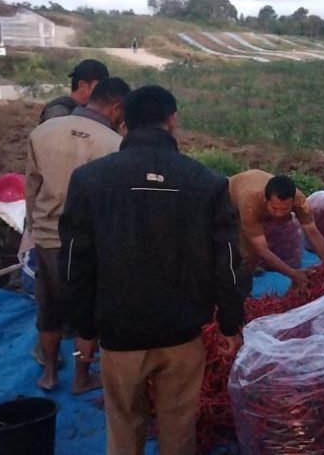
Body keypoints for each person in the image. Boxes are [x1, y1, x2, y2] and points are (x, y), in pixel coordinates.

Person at [58, 85, 243, 455]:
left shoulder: (90, 180)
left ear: (123, 121)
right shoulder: (207, 182)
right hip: (182, 336)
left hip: (119, 335)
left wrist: (84, 327)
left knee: (125, 430)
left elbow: (75, 261)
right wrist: (230, 323)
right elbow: (229, 261)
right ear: (172, 120)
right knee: (179, 432)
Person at [26, 77, 131, 392]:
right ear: (115, 107)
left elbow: (30, 187)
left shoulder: (42, 132)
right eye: (122, 114)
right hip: (87, 242)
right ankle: (82, 378)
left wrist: (35, 226)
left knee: (49, 309)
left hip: (46, 237)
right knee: (88, 312)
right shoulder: (113, 144)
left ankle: (49, 375)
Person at [228, 169, 324, 296]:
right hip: (230, 199)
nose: (279, 213)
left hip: (255, 183)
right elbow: (262, 249)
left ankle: (248, 269)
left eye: (285, 209)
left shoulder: (300, 201)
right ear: (265, 200)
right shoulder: (251, 203)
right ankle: (238, 290)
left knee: (253, 254)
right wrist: (293, 274)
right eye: (274, 208)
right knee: (245, 253)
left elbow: (313, 232)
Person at [39, 59, 110, 124]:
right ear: (82, 86)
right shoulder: (59, 112)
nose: (102, 92)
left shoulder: (87, 111)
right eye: (99, 87)